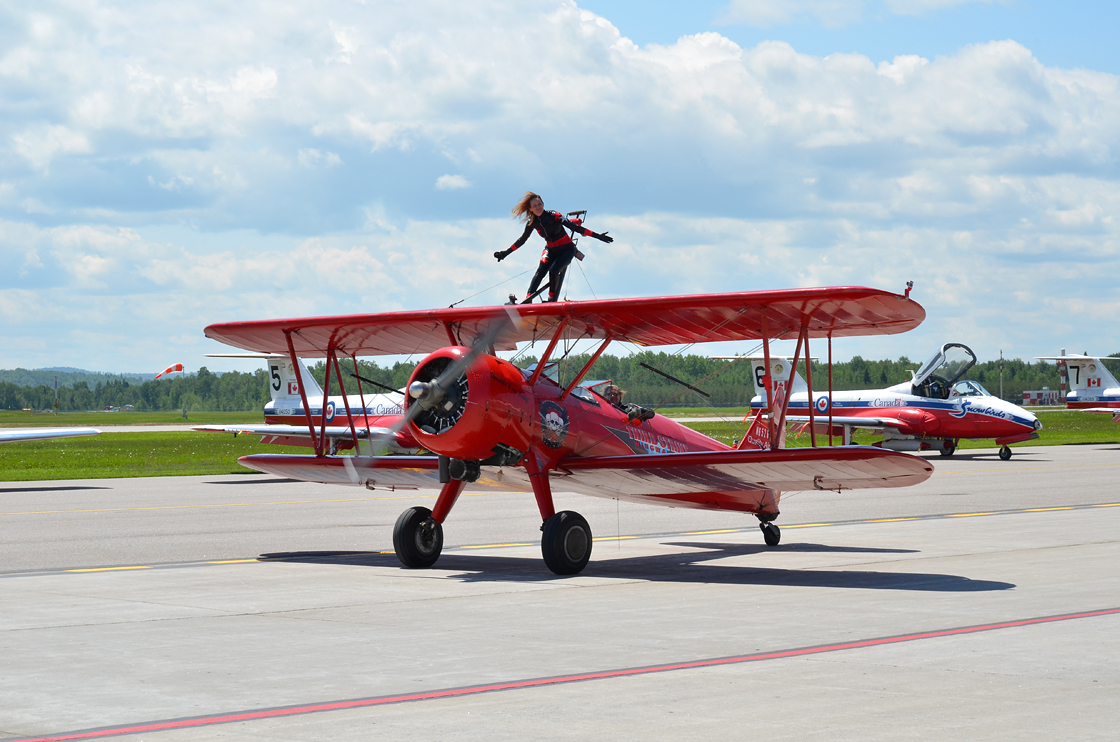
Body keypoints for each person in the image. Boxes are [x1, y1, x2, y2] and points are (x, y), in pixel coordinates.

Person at [494, 192, 613, 303]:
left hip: (566, 249)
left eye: (540, 204)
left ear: (543, 204)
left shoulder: (554, 216)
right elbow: (522, 240)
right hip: (550, 250)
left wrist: (598, 236)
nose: (538, 207)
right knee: (541, 271)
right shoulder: (532, 223)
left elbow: (576, 228)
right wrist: (505, 253)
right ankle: (528, 298)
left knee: (553, 271)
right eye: (535, 205)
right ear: (530, 209)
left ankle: (551, 299)